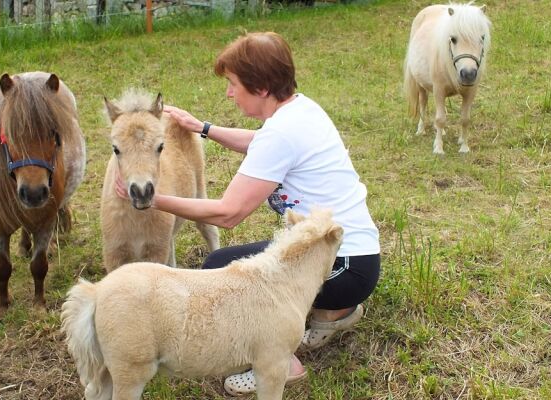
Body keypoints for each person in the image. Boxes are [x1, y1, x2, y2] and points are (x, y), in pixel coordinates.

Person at [150, 32, 380, 396]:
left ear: (260, 88)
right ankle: (334, 313)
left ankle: (280, 363)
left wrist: (154, 200)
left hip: (344, 265)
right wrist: (203, 128)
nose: (228, 92)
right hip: (356, 258)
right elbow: (260, 141)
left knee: (218, 272)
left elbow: (227, 214)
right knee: (238, 264)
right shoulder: (300, 109)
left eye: (233, 84)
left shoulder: (282, 133)